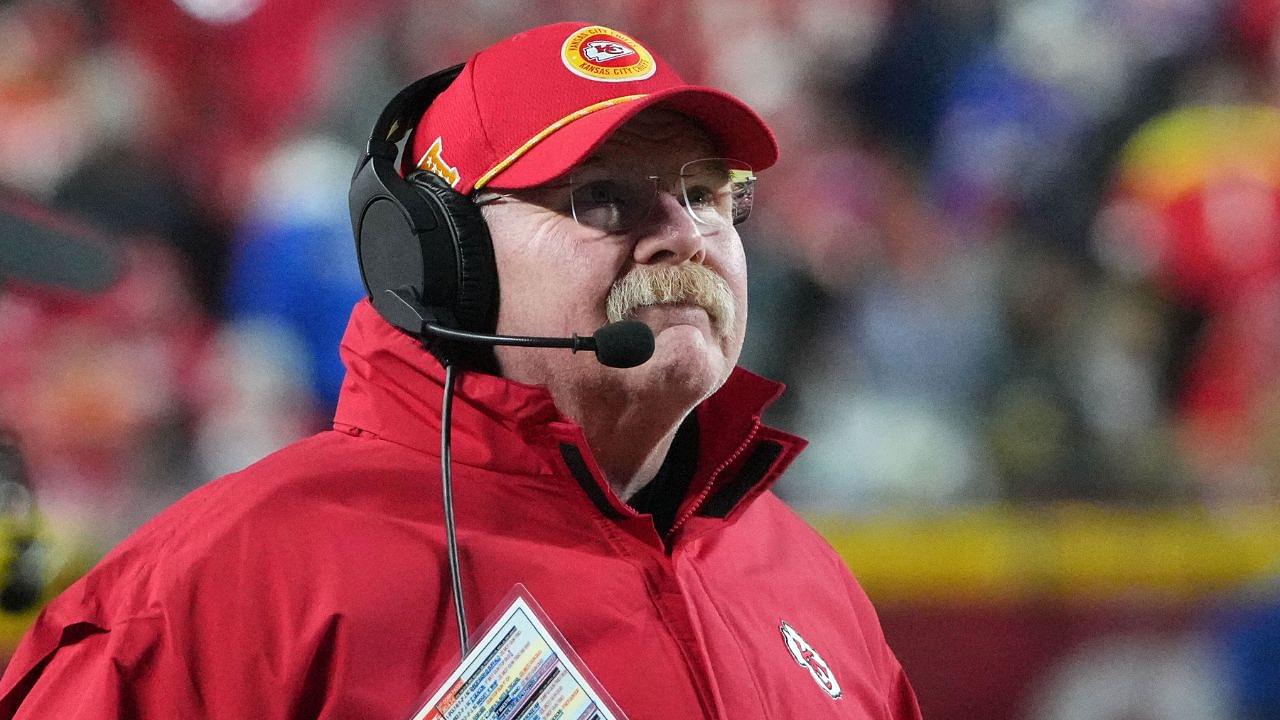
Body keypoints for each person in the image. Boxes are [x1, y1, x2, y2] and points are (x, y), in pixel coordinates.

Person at [0, 22, 921, 719]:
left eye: (707, 193)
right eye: (601, 198)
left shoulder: (805, 580)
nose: (685, 233)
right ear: (438, 259)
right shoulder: (234, 583)